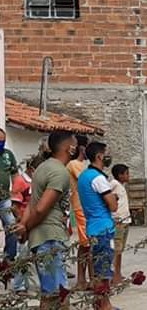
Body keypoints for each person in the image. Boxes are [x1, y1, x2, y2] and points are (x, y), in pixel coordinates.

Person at [11, 131, 77, 309]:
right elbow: (40, 208)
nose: (77, 149)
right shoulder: (59, 172)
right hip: (50, 237)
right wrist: (26, 227)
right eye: (75, 145)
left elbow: (32, 205)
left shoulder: (43, 168)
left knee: (51, 296)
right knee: (57, 295)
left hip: (42, 237)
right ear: (68, 148)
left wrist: (25, 226)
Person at [77, 142, 118, 310]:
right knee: (104, 270)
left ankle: (98, 303)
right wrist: (114, 198)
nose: (108, 156)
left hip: (92, 227)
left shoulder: (84, 176)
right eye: (106, 153)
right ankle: (105, 304)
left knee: (96, 268)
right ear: (99, 156)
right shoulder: (98, 178)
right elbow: (113, 206)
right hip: (104, 228)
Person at [10, 155, 42, 295]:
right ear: (31, 169)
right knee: (23, 254)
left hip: (37, 222)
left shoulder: (38, 182)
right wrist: (22, 222)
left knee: (39, 254)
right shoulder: (21, 181)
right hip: (25, 222)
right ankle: (19, 286)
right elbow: (15, 206)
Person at [67, 135, 91, 291]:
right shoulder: (74, 164)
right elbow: (87, 181)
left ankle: (86, 279)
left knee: (88, 244)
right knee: (87, 244)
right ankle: (83, 279)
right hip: (80, 207)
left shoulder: (85, 165)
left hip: (88, 208)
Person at [0, 128, 19, 269]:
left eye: (3, 141)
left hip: (5, 199)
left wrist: (16, 194)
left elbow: (15, 175)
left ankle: (9, 259)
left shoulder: (8, 155)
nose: (1, 143)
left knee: (12, 227)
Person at [109, 164, 132, 283]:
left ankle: (118, 273)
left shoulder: (121, 186)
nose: (129, 176)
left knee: (120, 249)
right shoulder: (113, 184)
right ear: (120, 175)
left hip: (125, 220)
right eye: (127, 173)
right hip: (118, 221)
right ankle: (114, 275)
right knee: (116, 249)